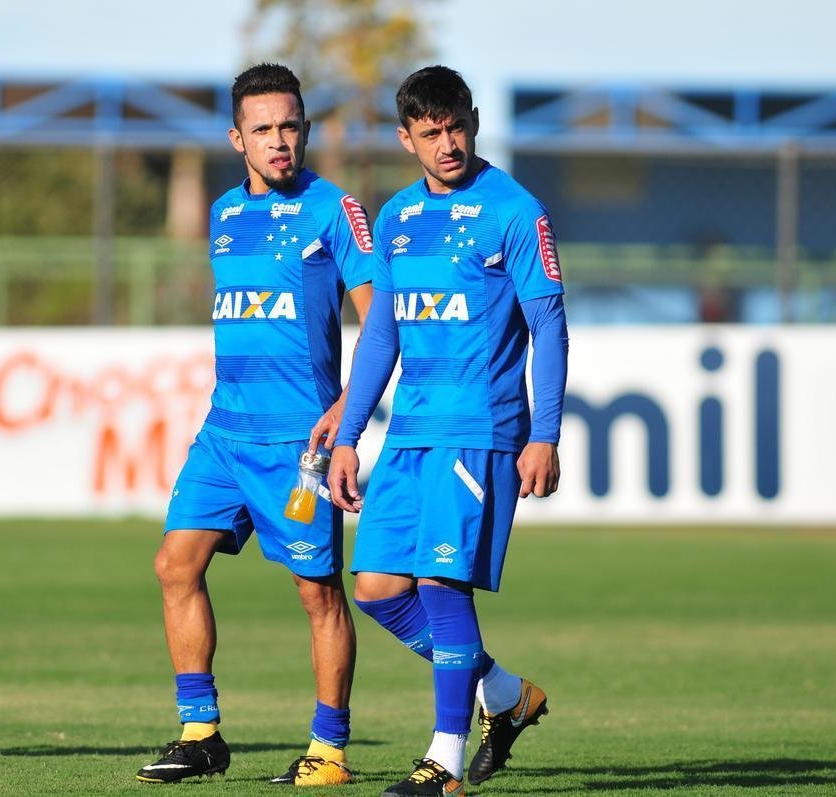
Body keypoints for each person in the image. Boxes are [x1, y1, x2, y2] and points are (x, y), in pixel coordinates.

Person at [329, 65, 569, 796]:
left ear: (471, 120)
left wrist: (545, 432)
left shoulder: (514, 210)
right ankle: (500, 692)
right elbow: (381, 337)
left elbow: (549, 324)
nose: (448, 144)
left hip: (482, 429)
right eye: (430, 133)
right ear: (407, 138)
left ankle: (445, 761)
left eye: (457, 126)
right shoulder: (398, 217)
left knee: (440, 579)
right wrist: (349, 433)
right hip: (407, 435)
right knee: (374, 586)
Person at [136, 63, 374, 787]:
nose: (280, 141)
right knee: (175, 565)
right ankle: (201, 731)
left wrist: (345, 414)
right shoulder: (223, 214)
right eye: (264, 128)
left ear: (305, 130)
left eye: (291, 126)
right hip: (223, 434)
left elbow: (379, 319)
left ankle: (328, 750)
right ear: (236, 137)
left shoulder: (335, 209)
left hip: (296, 443)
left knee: (317, 592)